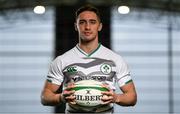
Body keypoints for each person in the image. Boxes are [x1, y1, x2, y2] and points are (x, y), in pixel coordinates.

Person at [41, 4, 137, 113]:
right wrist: (61, 97)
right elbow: (45, 97)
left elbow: (132, 97)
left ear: (99, 26)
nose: (87, 27)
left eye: (92, 22)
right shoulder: (62, 60)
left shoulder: (115, 59)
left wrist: (116, 98)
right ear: (76, 26)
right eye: (82, 22)